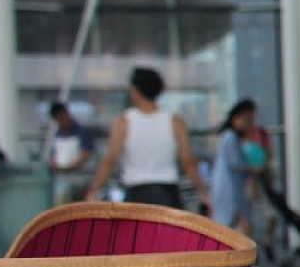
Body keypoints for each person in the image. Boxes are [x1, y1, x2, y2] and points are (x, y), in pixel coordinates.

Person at [85, 67, 212, 213]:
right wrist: (203, 192)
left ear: (135, 91)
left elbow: (110, 161)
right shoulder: (175, 121)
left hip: (136, 194)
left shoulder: (123, 122)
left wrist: (93, 190)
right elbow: (188, 162)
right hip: (168, 194)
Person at [210, 99, 259, 235]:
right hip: (230, 190)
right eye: (246, 119)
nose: (249, 123)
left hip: (230, 189)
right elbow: (236, 163)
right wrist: (253, 169)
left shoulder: (229, 137)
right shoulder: (231, 137)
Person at [45, 102, 96, 203]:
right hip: (62, 182)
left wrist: (69, 167)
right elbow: (53, 156)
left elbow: (85, 155)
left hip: (81, 181)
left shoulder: (82, 132)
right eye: (58, 119)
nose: (61, 121)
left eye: (62, 117)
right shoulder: (56, 135)